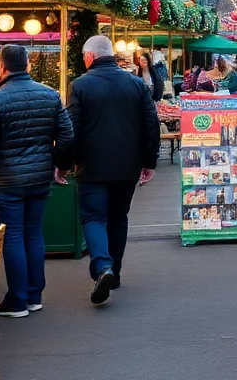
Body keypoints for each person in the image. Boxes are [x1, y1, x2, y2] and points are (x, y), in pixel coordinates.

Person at [0, 44, 75, 318]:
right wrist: (57, 164)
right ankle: (34, 295)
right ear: (28, 65)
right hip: (39, 176)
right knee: (33, 232)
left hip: (8, 179)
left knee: (13, 235)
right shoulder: (50, 95)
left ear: (1, 66)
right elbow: (67, 137)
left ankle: (17, 299)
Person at [67, 36, 160, 305]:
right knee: (119, 218)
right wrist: (149, 161)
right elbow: (150, 124)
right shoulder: (136, 84)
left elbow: (71, 128)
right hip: (127, 165)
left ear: (89, 57)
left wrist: (64, 162)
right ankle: (114, 273)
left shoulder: (80, 85)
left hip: (92, 166)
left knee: (93, 218)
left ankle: (102, 266)